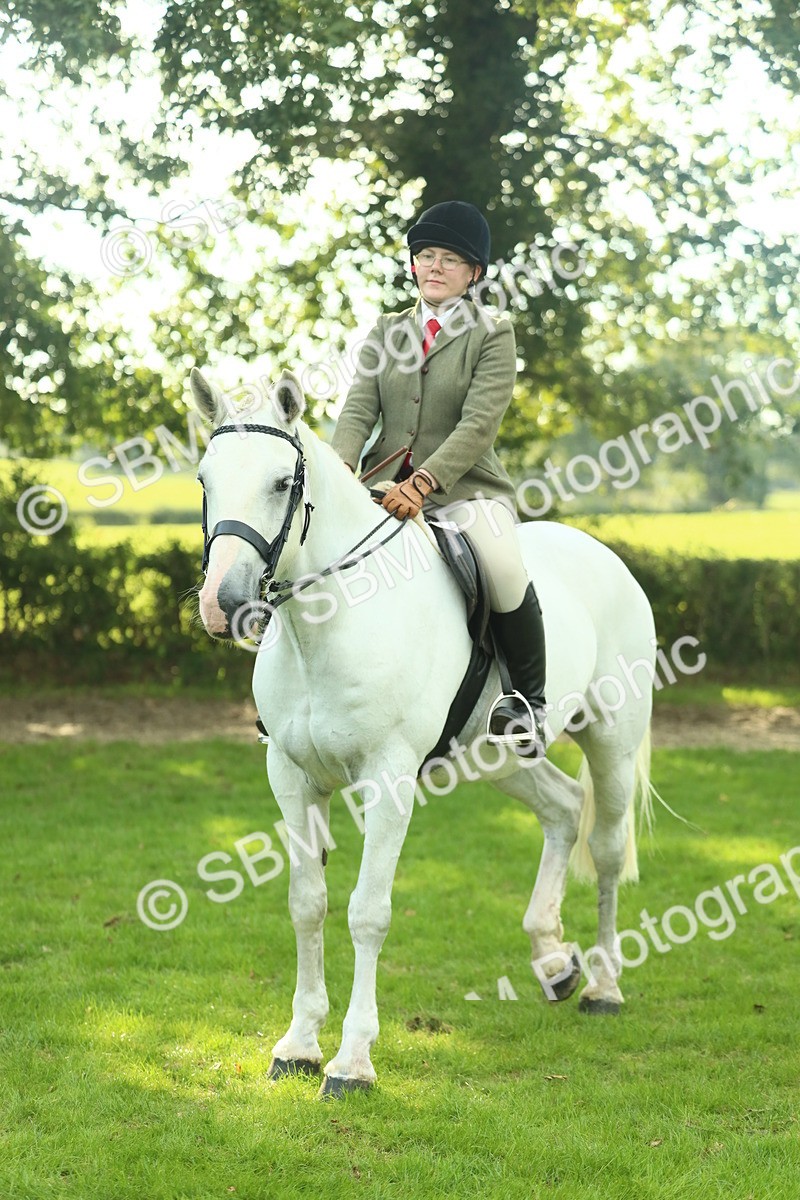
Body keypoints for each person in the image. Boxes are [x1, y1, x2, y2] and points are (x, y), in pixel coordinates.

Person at [331, 200, 546, 751]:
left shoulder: (493, 332)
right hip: (382, 487)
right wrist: (337, 473)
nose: (433, 266)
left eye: (449, 259)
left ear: (474, 273)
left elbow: (478, 425)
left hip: (464, 491)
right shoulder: (387, 329)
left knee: (502, 567)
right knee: (313, 552)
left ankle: (528, 702)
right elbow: (358, 409)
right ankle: (290, 699)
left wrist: (424, 483)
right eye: (425, 255)